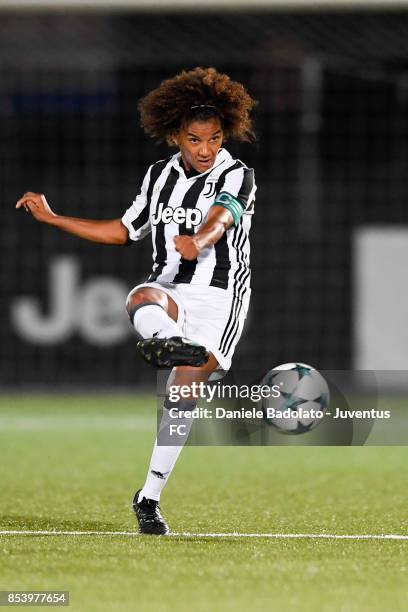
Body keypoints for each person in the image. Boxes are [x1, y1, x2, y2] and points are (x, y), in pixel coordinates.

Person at [16, 67, 257, 535]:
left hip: (219, 296)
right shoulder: (157, 177)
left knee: (183, 391)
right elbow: (124, 231)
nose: (205, 149)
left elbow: (225, 214)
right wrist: (53, 217)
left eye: (214, 139)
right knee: (141, 295)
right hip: (169, 287)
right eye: (194, 139)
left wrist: (202, 238)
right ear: (175, 136)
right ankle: (167, 342)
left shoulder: (237, 173)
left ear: (224, 135)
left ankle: (148, 497)